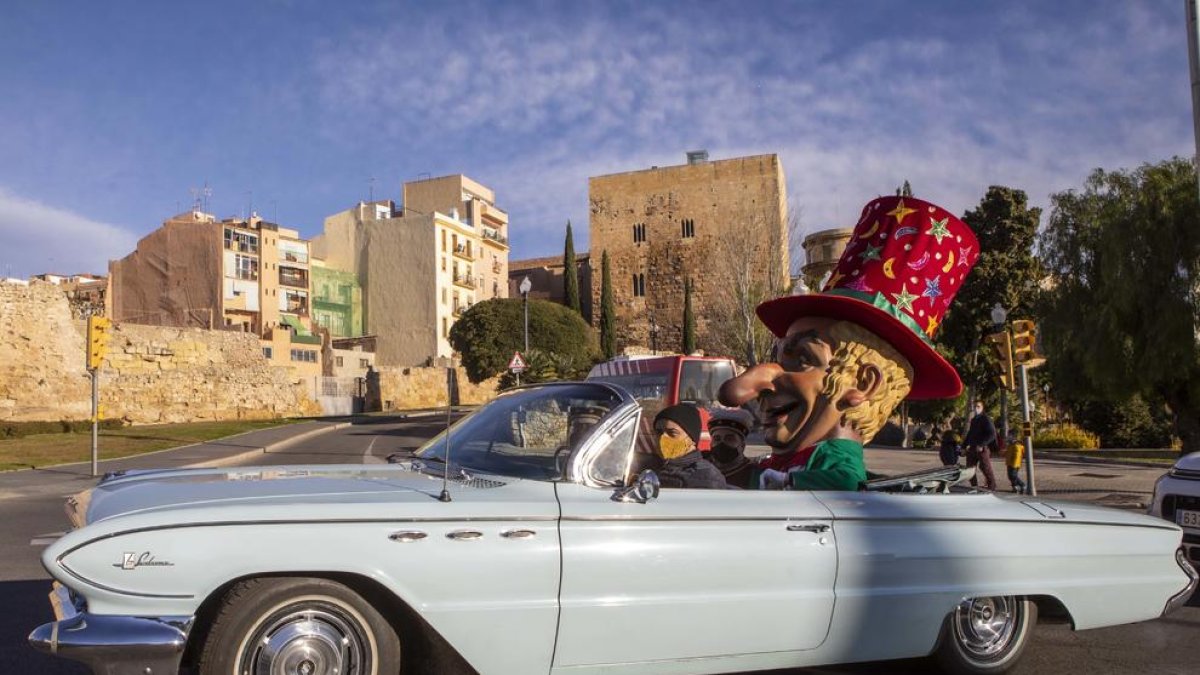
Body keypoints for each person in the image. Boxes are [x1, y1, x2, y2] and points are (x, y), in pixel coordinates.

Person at [718, 195, 981, 490]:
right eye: (779, 358)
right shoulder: (790, 459)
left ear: (865, 383)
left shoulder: (829, 464)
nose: (759, 381)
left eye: (803, 358)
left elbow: (844, 482)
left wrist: (771, 482)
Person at [652, 404, 727, 489]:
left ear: (691, 439)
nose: (662, 438)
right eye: (659, 432)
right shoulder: (652, 466)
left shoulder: (705, 477)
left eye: (672, 433)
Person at [707, 408, 756, 488]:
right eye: (717, 439)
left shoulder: (754, 474)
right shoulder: (701, 468)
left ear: (742, 446)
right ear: (711, 443)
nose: (721, 444)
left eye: (729, 439)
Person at [963, 401, 998, 490]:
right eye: (975, 406)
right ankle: (974, 487)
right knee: (970, 469)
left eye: (978, 406)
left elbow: (992, 434)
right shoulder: (974, 420)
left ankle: (992, 486)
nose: (976, 408)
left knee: (985, 467)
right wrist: (963, 446)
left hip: (982, 448)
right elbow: (970, 434)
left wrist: (982, 444)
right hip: (972, 448)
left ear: (982, 408)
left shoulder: (986, 419)